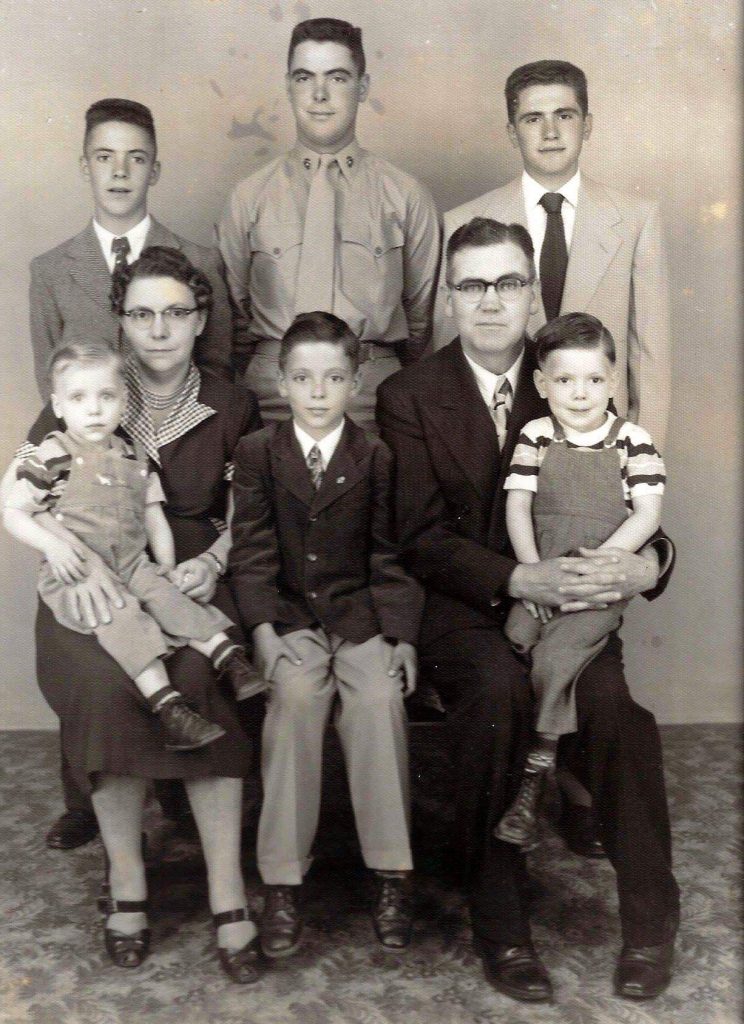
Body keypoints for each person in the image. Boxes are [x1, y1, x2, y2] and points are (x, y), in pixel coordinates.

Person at [377, 218, 679, 1003]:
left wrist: (649, 563)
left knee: (614, 710)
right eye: (471, 284)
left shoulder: (570, 376)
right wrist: (519, 580)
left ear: (533, 290)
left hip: (572, 607)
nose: (489, 302)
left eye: (507, 282)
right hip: (465, 606)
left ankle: (652, 922)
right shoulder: (410, 395)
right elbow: (415, 536)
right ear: (449, 294)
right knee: (498, 698)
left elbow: (634, 502)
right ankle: (501, 924)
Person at [5, 247, 265, 982]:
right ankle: (127, 881)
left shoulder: (231, 402)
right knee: (103, 686)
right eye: (141, 313)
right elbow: (29, 503)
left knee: (203, 672)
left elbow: (249, 504)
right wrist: (67, 558)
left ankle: (225, 889)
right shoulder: (82, 392)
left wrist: (211, 562)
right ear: (121, 320)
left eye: (175, 312)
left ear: (200, 319)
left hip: (187, 581)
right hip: (88, 586)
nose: (159, 329)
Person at [229, 311, 423, 958]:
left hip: (359, 612)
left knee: (378, 701)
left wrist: (400, 636)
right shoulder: (258, 452)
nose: (318, 393)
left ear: (356, 382)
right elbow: (252, 552)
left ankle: (391, 872)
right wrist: (259, 627)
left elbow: (388, 556)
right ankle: (282, 881)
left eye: (334, 378)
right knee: (295, 701)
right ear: (280, 382)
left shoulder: (376, 456)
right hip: (288, 616)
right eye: (304, 378)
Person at [4, 344, 265, 752]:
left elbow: (153, 517)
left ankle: (227, 657)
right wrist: (54, 549)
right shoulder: (52, 454)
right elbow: (15, 511)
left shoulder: (134, 455)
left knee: (170, 597)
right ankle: (168, 706)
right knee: (120, 616)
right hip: (77, 573)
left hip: (132, 561)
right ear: (58, 406)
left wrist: (165, 567)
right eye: (78, 398)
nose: (93, 410)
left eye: (106, 397)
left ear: (124, 402)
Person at [432, 61, 670, 454]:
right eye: (532, 119)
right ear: (512, 132)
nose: (550, 132)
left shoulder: (636, 219)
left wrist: (644, 463)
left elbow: (650, 359)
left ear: (587, 124)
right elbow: (453, 355)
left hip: (600, 441)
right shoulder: (462, 221)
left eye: (564, 115)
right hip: (499, 441)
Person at [493, 312, 666, 850]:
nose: (580, 392)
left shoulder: (633, 441)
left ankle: (535, 774)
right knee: (518, 639)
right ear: (542, 384)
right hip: (545, 576)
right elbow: (518, 508)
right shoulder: (535, 436)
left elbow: (647, 516)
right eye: (564, 380)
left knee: (556, 658)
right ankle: (564, 770)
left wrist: (597, 566)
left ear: (613, 382)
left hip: (595, 584)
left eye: (594, 379)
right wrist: (536, 574)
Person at [218, 17, 440, 430]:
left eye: (337, 78)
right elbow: (235, 319)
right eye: (305, 78)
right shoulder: (249, 197)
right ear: (288, 86)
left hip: (371, 393)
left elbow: (421, 320)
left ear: (363, 86)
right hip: (273, 393)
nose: (319, 95)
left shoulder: (406, 195)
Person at [30, 98, 233, 403]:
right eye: (104, 157)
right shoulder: (50, 270)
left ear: (154, 171)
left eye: (136, 158)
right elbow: (51, 386)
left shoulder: (200, 261)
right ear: (85, 167)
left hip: (178, 441)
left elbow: (217, 372)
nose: (119, 171)